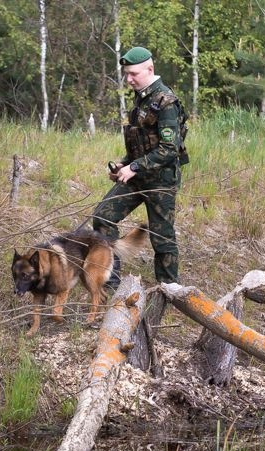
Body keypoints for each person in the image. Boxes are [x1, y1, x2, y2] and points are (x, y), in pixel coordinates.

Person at [92, 46, 188, 288]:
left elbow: (169, 149)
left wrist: (133, 167)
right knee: (103, 217)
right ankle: (110, 285)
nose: (129, 79)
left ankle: (169, 291)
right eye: (126, 74)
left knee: (162, 238)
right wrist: (124, 163)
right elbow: (144, 142)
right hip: (138, 175)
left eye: (133, 74)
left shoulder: (166, 101)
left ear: (150, 69)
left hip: (161, 181)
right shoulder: (142, 97)